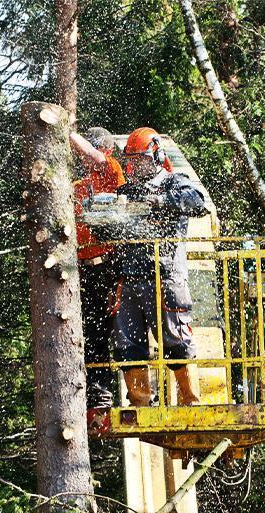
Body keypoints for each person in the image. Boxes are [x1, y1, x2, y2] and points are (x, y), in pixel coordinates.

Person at [111, 127, 207, 407]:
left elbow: (197, 202)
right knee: (128, 343)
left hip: (165, 274)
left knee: (175, 338)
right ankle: (140, 401)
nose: (135, 165)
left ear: (155, 155)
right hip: (128, 276)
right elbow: (109, 229)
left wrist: (159, 201)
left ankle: (189, 400)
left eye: (139, 159)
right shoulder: (126, 191)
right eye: (132, 159)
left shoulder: (175, 183)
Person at [71, 128, 126, 412]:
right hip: (83, 267)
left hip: (110, 266)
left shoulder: (110, 170)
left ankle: (135, 391)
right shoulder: (77, 186)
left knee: (119, 329)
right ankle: (98, 393)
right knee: (92, 333)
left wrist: (66, 132)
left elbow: (95, 158)